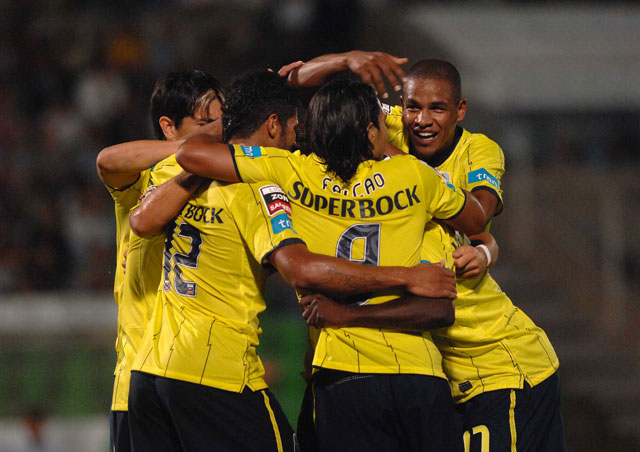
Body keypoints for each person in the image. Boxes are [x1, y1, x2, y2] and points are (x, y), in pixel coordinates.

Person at [126, 70, 463, 452]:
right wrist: (405, 276)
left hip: (148, 370)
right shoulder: (259, 189)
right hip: (216, 368)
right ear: (273, 126)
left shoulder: (176, 175)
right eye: (292, 129)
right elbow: (300, 268)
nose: (296, 139)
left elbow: (141, 220)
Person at [286, 51, 564, 452]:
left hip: (497, 363)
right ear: (400, 106)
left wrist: (485, 248)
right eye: (413, 107)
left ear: (460, 110)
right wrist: (347, 61)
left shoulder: (476, 152)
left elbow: (479, 216)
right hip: (436, 372)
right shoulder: (394, 127)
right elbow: (297, 87)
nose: (422, 120)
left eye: (438, 108)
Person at [96, 69, 225, 452]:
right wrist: (195, 148)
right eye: (206, 123)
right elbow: (108, 160)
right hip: (137, 386)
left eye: (224, 121)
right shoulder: (142, 182)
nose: (219, 131)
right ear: (168, 127)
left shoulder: (228, 180)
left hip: (201, 380)